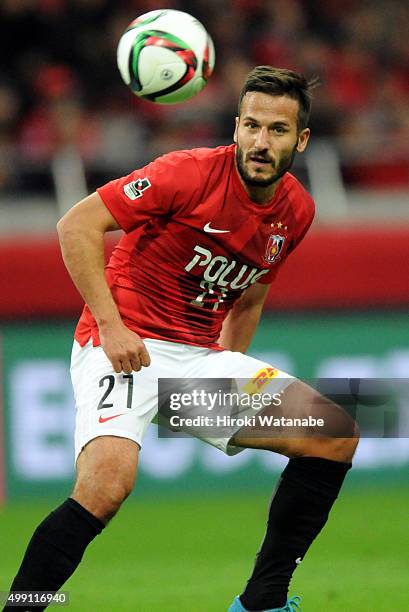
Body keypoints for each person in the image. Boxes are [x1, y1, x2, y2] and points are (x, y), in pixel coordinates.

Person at [3, 66, 358, 612]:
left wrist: (229, 373)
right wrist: (111, 324)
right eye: (252, 126)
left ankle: (263, 601)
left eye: (278, 131)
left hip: (196, 358)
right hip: (121, 344)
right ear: (236, 127)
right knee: (105, 488)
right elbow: (75, 225)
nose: (261, 143)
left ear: (302, 139)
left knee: (335, 433)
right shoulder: (185, 174)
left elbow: (253, 293)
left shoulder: (297, 211)